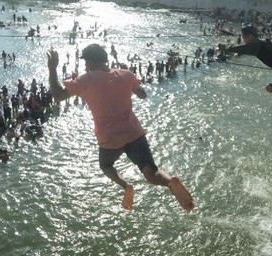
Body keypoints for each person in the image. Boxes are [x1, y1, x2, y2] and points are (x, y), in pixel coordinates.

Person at [47, 44, 194, 212]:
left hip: (109, 139)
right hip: (134, 133)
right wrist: (129, 85)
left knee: (106, 166)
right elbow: (143, 94)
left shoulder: (85, 80)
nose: (86, 66)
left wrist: (52, 69)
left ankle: (125, 186)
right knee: (151, 172)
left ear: (91, 62)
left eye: (86, 63)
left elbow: (58, 96)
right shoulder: (125, 75)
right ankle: (170, 181)